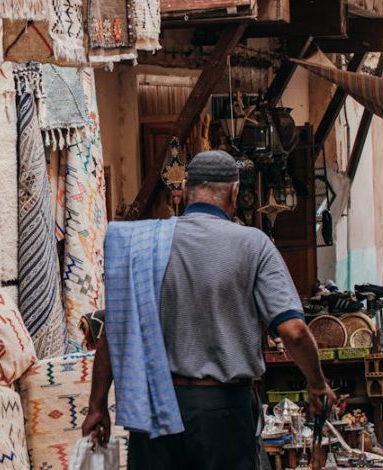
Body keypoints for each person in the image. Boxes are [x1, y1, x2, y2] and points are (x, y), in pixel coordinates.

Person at [82, 150, 336, 470]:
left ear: (186, 190)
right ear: (233, 192)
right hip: (223, 410)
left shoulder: (143, 245)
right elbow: (294, 332)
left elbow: (114, 330)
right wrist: (316, 382)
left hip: (157, 410)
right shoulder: (253, 244)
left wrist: (97, 406)